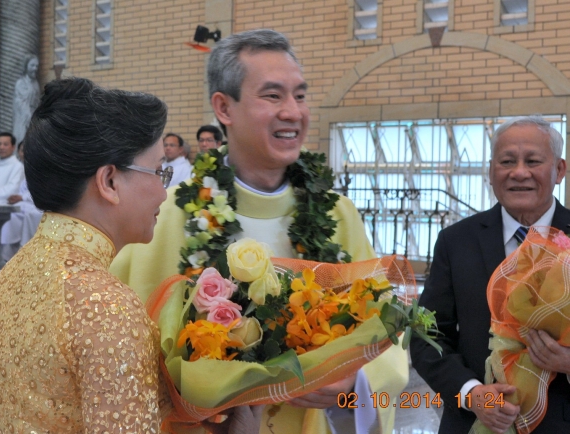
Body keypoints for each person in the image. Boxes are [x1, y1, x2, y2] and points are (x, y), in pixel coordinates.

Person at [111, 29, 408, 434]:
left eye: (300, 96)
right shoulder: (166, 213)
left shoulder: (338, 216)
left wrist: (352, 384)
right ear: (224, 107)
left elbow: (386, 329)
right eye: (272, 96)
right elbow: (113, 342)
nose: (293, 112)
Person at [0, 77, 263, 433]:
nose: (163, 192)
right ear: (109, 181)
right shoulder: (106, 308)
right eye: (158, 172)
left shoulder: (8, 277)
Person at [410, 115, 570, 434]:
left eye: (533, 161)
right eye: (507, 161)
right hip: (472, 423)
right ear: (490, 171)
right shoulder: (456, 241)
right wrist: (471, 393)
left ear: (559, 170)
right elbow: (426, 334)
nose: (519, 172)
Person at [0, 141, 43, 261]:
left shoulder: (41, 169)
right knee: (8, 212)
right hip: (21, 202)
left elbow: (40, 191)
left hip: (36, 204)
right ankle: (6, 253)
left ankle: (19, 251)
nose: (25, 153)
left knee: (16, 215)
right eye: (23, 150)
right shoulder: (18, 168)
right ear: (18, 152)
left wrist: (22, 197)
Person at [0, 132, 24, 206]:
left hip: (3, 204)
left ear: (13, 147)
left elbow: (12, 190)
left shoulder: (18, 166)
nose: (1, 147)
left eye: (5, 144)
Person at [13, 55, 40, 144]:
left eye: (36, 66)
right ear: (26, 66)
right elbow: (21, 103)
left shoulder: (36, 84)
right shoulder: (21, 83)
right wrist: (29, 117)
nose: (35, 68)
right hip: (24, 119)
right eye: (32, 65)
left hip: (34, 118)